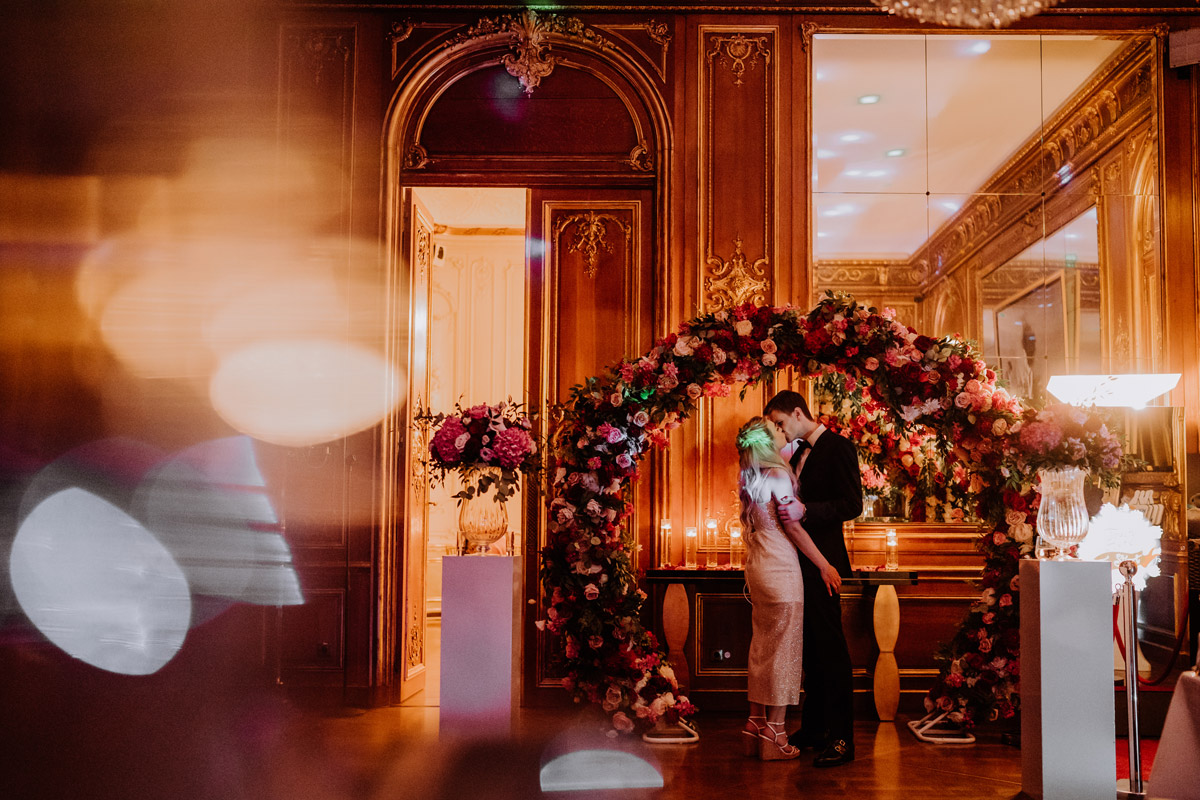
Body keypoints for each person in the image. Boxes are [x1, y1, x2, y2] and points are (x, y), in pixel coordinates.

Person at [764, 389, 862, 768]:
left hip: (825, 562)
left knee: (832, 652)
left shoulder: (839, 447)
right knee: (812, 652)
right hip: (798, 563)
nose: (779, 430)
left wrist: (809, 510)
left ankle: (842, 739)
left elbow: (853, 504)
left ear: (798, 412)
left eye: (780, 422)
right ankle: (816, 728)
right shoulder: (799, 452)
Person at [735, 417, 842, 761]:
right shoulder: (778, 476)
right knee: (784, 650)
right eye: (777, 432)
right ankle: (776, 732)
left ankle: (754, 722)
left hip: (758, 568)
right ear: (769, 442)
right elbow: (794, 529)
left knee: (761, 647)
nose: (784, 434)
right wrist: (824, 564)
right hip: (781, 569)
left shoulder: (749, 477)